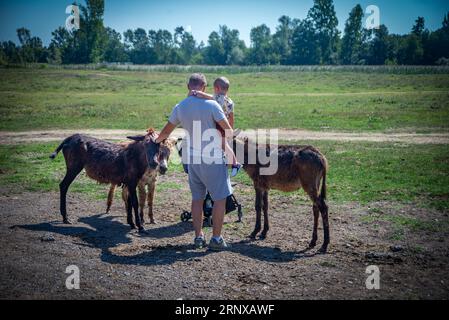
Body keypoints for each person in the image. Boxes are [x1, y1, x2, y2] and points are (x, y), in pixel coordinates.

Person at [154, 73, 233, 251]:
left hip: (191, 158)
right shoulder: (212, 104)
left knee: (197, 199)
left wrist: (155, 142)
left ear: (188, 87)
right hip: (212, 157)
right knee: (220, 199)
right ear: (204, 88)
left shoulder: (180, 106)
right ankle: (216, 238)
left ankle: (198, 237)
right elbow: (228, 130)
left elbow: (165, 133)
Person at [189, 76, 241, 177]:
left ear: (217, 88)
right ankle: (227, 161)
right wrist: (230, 129)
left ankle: (235, 164)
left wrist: (195, 92)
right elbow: (231, 117)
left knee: (223, 145)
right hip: (225, 126)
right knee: (223, 145)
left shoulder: (217, 98)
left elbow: (206, 96)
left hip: (219, 125)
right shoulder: (230, 101)